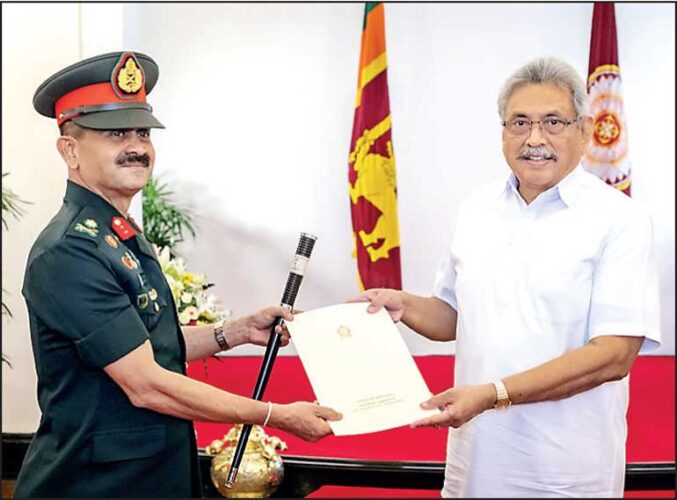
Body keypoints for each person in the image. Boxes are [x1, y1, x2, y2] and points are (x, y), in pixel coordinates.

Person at [15, 51, 341, 498]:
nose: (137, 146)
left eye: (143, 132)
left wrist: (236, 331)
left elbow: (148, 343)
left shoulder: (119, 235)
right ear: (70, 150)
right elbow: (146, 385)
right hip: (97, 485)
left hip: (150, 475)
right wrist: (275, 415)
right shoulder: (70, 251)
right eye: (115, 133)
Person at [352, 57, 660, 497]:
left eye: (553, 122)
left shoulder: (620, 219)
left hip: (566, 470)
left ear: (585, 130)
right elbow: (452, 316)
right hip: (474, 460)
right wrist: (403, 305)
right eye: (519, 123)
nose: (535, 139)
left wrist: (494, 393)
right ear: (502, 133)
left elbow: (614, 354)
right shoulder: (477, 209)